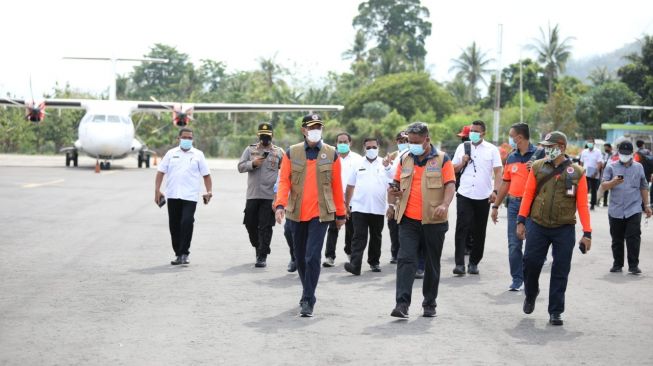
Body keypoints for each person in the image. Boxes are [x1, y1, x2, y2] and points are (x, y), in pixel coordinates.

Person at [517, 131, 592, 326]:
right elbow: (528, 195)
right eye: (545, 147)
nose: (546, 150)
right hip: (538, 225)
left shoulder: (577, 172)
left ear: (562, 147)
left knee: (560, 270)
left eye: (550, 147)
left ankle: (556, 311)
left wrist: (587, 233)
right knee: (530, 263)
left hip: (564, 228)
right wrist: (521, 220)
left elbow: (583, 204)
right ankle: (531, 294)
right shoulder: (537, 167)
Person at [274, 113, 346, 317]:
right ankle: (308, 291)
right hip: (296, 212)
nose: (316, 130)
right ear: (304, 130)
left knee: (312, 256)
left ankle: (308, 299)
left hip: (320, 214)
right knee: (300, 257)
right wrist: (280, 204)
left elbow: (336, 185)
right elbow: (284, 181)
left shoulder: (331, 154)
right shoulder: (292, 153)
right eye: (312, 127)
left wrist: (341, 214)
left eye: (319, 126)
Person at [389, 122, 456, 318]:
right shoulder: (405, 159)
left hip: (433, 220)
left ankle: (429, 304)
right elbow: (396, 181)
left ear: (427, 139)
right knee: (405, 260)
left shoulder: (442, 159)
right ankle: (402, 304)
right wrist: (393, 192)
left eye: (416, 141)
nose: (412, 145)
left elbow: (450, 185)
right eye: (410, 141)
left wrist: (445, 205)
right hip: (408, 219)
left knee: (431, 264)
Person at [154, 128, 212, 265]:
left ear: (193, 139)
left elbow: (206, 175)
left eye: (190, 138)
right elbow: (160, 172)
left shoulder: (198, 154)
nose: (187, 140)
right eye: (185, 137)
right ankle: (178, 254)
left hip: (190, 196)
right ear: (178, 138)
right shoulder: (170, 153)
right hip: (173, 195)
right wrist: (157, 190)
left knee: (186, 222)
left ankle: (185, 253)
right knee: (174, 226)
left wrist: (209, 191)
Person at [452, 120, 502, 275]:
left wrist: (496, 191)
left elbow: (498, 172)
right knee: (461, 228)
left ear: (483, 133)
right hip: (465, 193)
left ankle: (474, 262)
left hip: (483, 195)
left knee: (479, 230)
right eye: (471, 130)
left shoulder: (492, 150)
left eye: (476, 131)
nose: (472, 133)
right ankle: (459, 264)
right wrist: (463, 161)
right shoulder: (462, 147)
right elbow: (452, 168)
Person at [491, 123, 535, 291]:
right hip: (514, 204)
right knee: (514, 244)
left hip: (533, 205)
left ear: (520, 137)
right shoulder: (511, 157)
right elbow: (505, 184)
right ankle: (517, 278)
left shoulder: (539, 154)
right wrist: (495, 206)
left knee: (532, 245)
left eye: (511, 135)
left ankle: (530, 278)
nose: (510, 138)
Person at [237, 122, 285, 268]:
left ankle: (262, 255)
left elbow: (284, 174)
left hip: (270, 196)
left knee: (265, 226)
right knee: (250, 223)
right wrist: (252, 164)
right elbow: (240, 167)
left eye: (268, 136)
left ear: (272, 135)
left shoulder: (279, 152)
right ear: (258, 135)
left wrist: (281, 196)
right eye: (263, 136)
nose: (265, 139)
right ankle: (258, 245)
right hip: (253, 195)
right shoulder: (250, 150)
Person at [601, 141, 652, 274]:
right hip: (616, 209)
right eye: (622, 153)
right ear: (618, 152)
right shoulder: (611, 166)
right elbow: (603, 185)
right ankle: (617, 264)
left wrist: (647, 205)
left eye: (627, 154)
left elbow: (644, 186)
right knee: (617, 238)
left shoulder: (639, 167)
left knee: (633, 236)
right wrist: (613, 182)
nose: (624, 156)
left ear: (632, 153)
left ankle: (633, 265)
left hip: (633, 208)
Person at [344, 138, 390, 275]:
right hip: (359, 207)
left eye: (373, 147)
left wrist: (392, 205)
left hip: (378, 207)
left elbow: (391, 184)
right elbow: (350, 186)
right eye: (368, 147)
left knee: (376, 236)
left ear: (378, 147)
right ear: (364, 148)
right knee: (359, 237)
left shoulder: (384, 164)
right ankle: (355, 265)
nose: (371, 150)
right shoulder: (357, 163)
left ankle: (374, 262)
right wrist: (347, 205)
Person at [323, 132, 362, 267]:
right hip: (335, 200)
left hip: (352, 200)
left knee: (351, 229)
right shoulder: (330, 158)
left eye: (345, 141)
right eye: (340, 142)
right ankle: (329, 256)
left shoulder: (357, 159)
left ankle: (350, 252)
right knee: (333, 228)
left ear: (350, 143)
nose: (343, 144)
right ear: (336, 143)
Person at [384, 131, 408, 264]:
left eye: (405, 140)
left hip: (405, 195)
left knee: (404, 227)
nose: (403, 143)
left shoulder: (411, 155)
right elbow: (391, 178)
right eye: (400, 141)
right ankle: (395, 253)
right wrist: (387, 166)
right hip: (393, 194)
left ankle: (403, 253)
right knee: (392, 224)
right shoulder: (395, 156)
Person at [455, 125, 475, 255]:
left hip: (478, 193)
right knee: (464, 220)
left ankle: (470, 245)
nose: (462, 140)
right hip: (463, 190)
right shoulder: (460, 149)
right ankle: (466, 245)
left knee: (472, 221)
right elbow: (453, 168)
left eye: (464, 137)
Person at [579, 138, 603, 210]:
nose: (589, 143)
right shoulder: (584, 152)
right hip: (585, 173)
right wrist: (580, 171)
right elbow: (581, 163)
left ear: (594, 143)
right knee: (584, 189)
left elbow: (599, 163)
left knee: (593, 190)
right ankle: (583, 203)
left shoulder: (598, 152)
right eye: (588, 142)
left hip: (594, 174)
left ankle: (592, 204)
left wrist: (596, 172)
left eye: (591, 142)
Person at [599, 142, 615, 207]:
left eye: (606, 147)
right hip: (603, 171)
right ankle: (598, 201)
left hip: (610, 172)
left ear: (610, 148)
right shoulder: (604, 154)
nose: (605, 148)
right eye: (605, 147)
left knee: (608, 187)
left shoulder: (613, 155)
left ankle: (605, 202)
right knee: (602, 186)